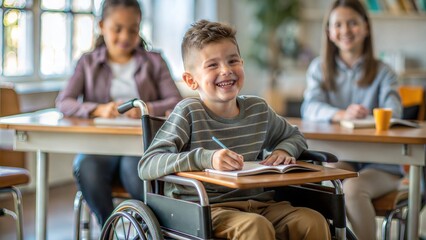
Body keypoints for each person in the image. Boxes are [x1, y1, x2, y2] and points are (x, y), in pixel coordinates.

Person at [139, 19, 331, 240]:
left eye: (233, 61)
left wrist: (284, 151)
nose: (226, 71)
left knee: (312, 221)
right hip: (206, 209)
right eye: (212, 65)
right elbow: (148, 163)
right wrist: (206, 158)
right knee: (255, 227)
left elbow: (294, 135)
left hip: (261, 203)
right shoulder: (189, 112)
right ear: (191, 80)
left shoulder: (257, 109)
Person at [56, 0, 182, 226]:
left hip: (140, 146)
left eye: (133, 30)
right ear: (102, 25)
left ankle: (146, 228)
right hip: (100, 146)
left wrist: (146, 109)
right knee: (86, 168)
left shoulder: (154, 61)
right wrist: (97, 109)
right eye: (117, 29)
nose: (125, 37)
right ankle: (110, 228)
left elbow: (176, 100)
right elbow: (64, 102)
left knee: (136, 172)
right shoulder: (87, 62)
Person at [301, 0, 403, 239]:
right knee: (325, 182)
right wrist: (341, 114)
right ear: (329, 32)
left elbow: (394, 111)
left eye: (352, 23)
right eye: (338, 24)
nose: (345, 30)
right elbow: (310, 107)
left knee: (354, 188)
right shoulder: (319, 68)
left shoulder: (384, 71)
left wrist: (367, 115)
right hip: (343, 157)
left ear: (366, 28)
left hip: (381, 165)